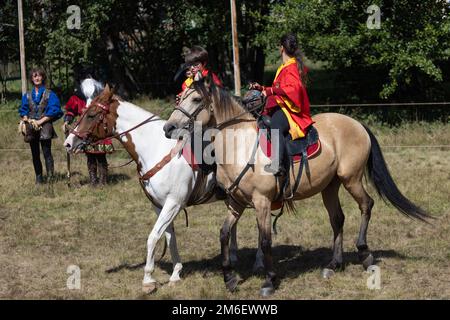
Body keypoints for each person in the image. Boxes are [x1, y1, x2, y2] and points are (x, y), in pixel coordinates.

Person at [250, 33, 314, 176]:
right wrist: (262, 89)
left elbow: (293, 89)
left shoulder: (290, 67)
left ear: (281, 48)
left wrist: (271, 90)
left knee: (276, 125)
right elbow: (280, 88)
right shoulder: (285, 66)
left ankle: (277, 164)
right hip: (283, 104)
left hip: (291, 110)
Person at [62, 79, 113, 186]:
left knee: (101, 156)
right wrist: (66, 121)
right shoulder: (77, 98)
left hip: (99, 130)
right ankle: (93, 181)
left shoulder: (100, 97)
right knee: (90, 156)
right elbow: (71, 111)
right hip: (85, 131)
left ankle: (103, 181)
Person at [19, 67, 63, 184]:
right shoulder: (27, 95)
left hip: (45, 126)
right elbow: (23, 110)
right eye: (34, 76)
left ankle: (50, 178)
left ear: (42, 77)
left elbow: (54, 110)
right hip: (31, 127)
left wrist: (40, 121)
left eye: (39, 75)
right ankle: (39, 178)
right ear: (32, 79)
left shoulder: (50, 94)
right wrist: (25, 120)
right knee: (35, 153)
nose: (37, 78)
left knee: (47, 153)